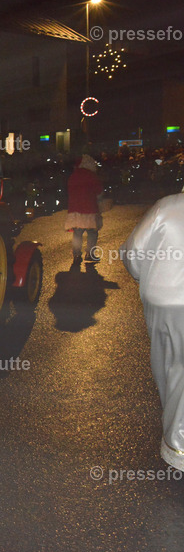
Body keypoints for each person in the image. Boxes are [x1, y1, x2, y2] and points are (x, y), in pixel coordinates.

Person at [122, 192, 184, 470]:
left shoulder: (166, 206)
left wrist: (145, 275)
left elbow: (133, 253)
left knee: (167, 368)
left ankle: (175, 440)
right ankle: (177, 445)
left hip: (160, 300)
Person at [65, 154, 104, 264]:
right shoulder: (92, 176)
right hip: (89, 209)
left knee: (77, 233)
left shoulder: (73, 176)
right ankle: (90, 254)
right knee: (92, 233)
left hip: (75, 209)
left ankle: (76, 255)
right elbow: (99, 192)